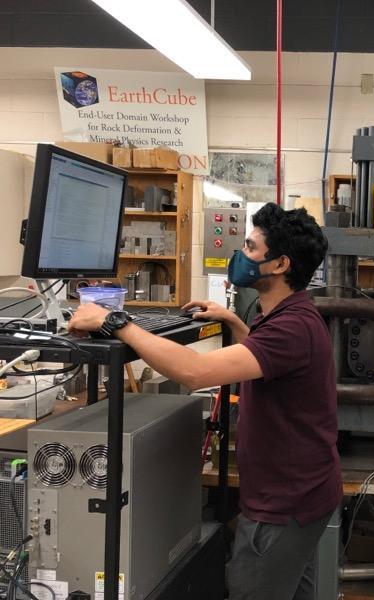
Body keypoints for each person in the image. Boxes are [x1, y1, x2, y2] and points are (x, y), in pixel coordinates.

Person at [68, 203, 341, 600]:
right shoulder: (288, 314)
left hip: (283, 505)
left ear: (280, 264)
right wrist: (232, 321)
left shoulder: (291, 327)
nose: (240, 255)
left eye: (250, 247)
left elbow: (194, 372)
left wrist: (116, 322)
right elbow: (267, 359)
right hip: (305, 493)